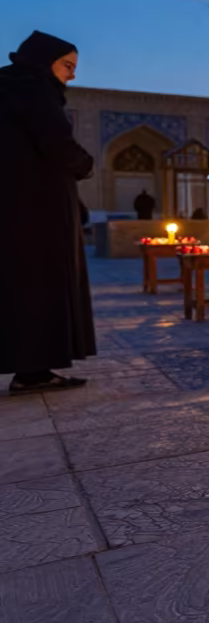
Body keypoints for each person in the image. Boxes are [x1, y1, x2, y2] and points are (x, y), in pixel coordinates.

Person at [0, 30, 96, 394]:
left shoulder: (8, 88)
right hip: (36, 211)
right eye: (68, 66)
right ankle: (34, 371)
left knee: (17, 287)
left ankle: (30, 367)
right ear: (45, 62)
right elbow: (57, 143)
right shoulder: (35, 90)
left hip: (12, 207)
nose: (72, 75)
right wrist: (84, 164)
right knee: (39, 286)